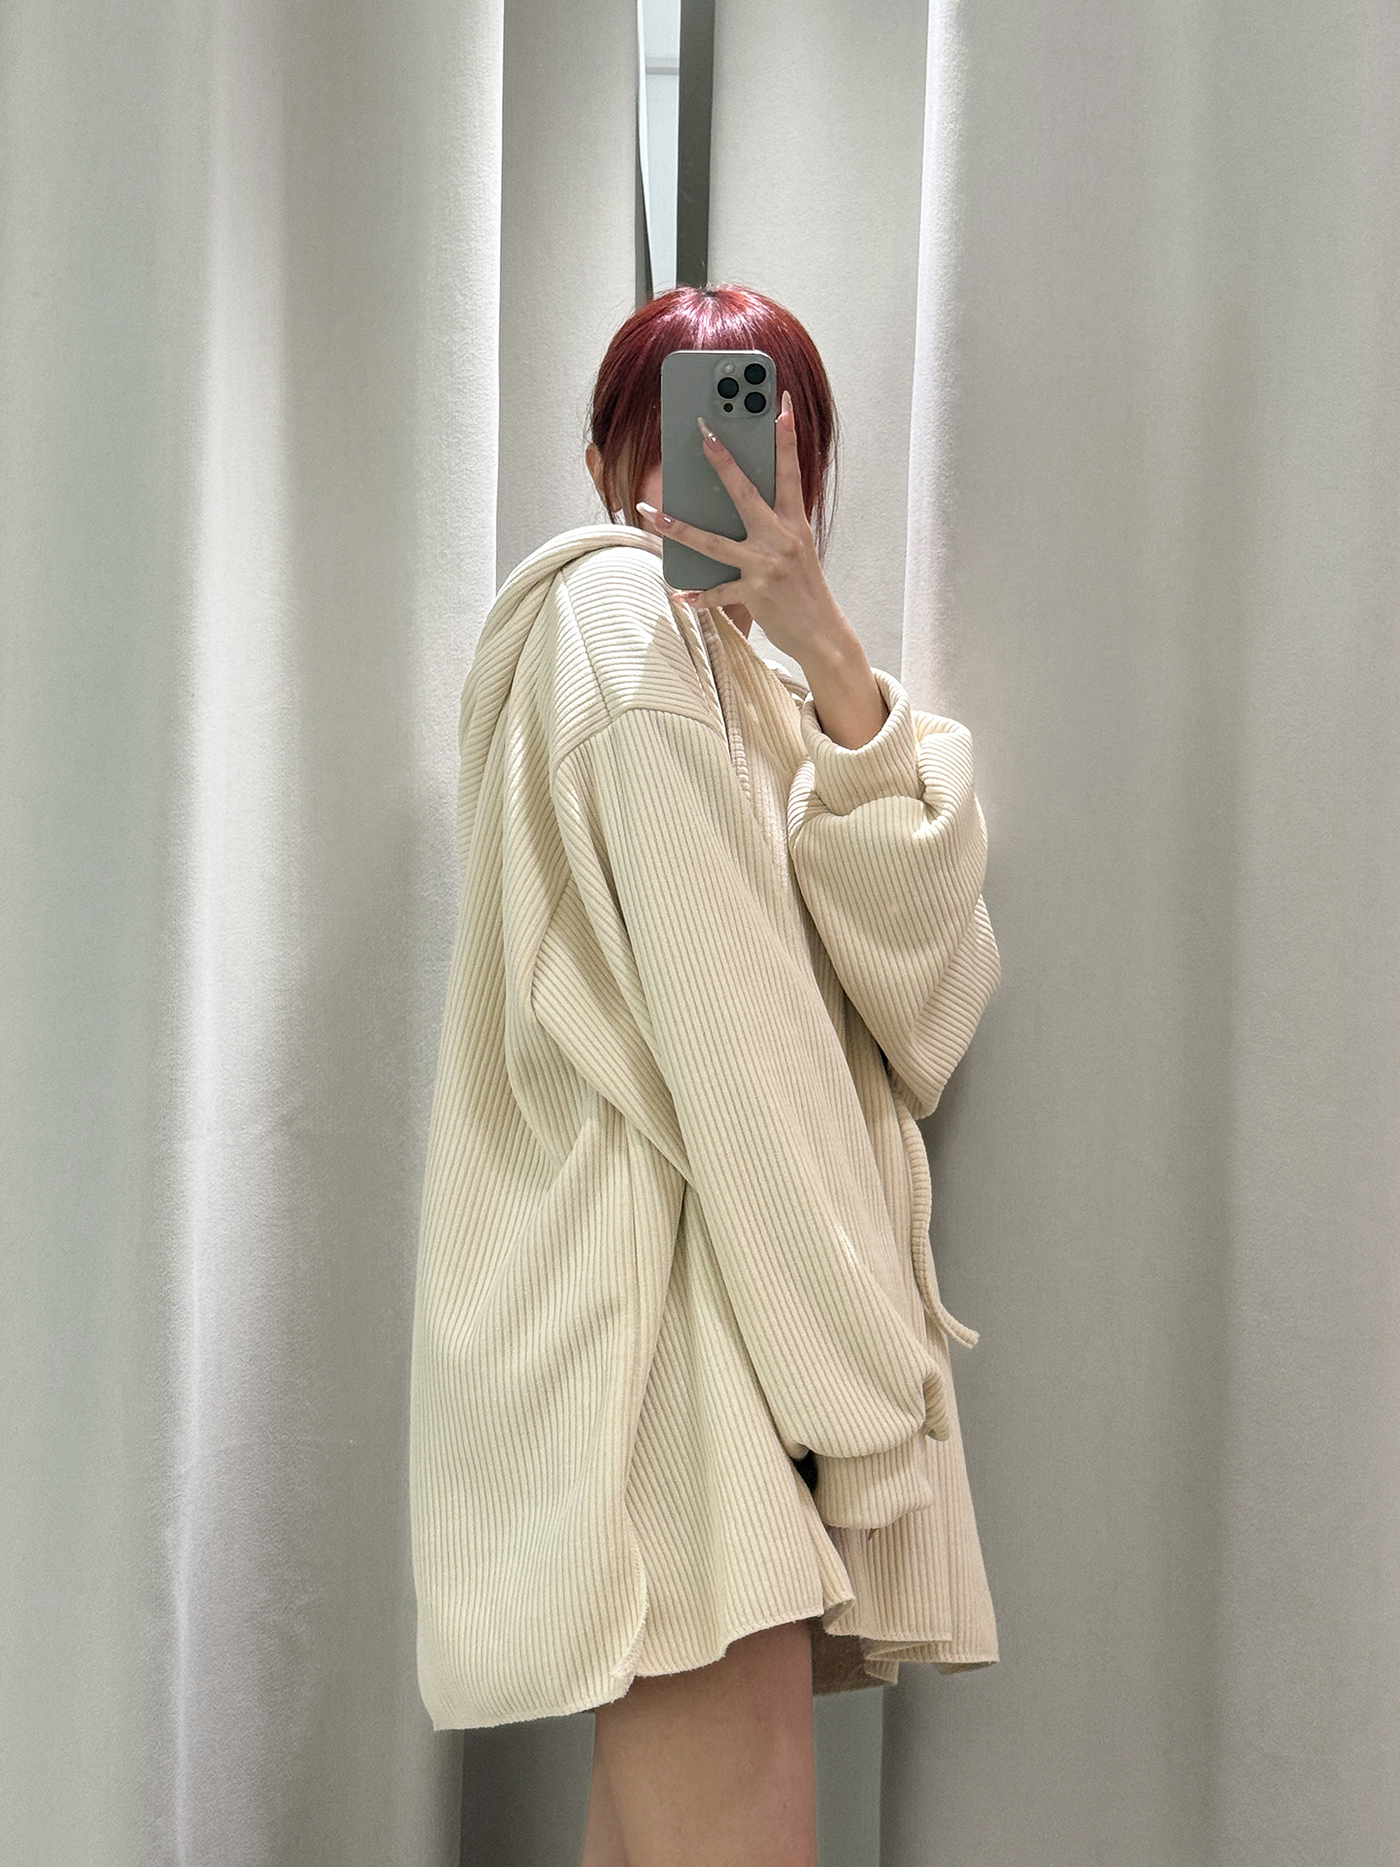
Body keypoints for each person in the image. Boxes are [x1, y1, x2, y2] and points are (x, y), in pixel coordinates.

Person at [407, 284, 1002, 1867]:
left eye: (768, 436)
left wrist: (831, 652)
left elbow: (923, 1004)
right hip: (682, 1354)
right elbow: (742, 1044)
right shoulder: (618, 617)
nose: (724, 471)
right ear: (611, 463)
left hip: (719, 1347)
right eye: (681, 428)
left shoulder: (774, 703)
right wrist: (866, 1394)